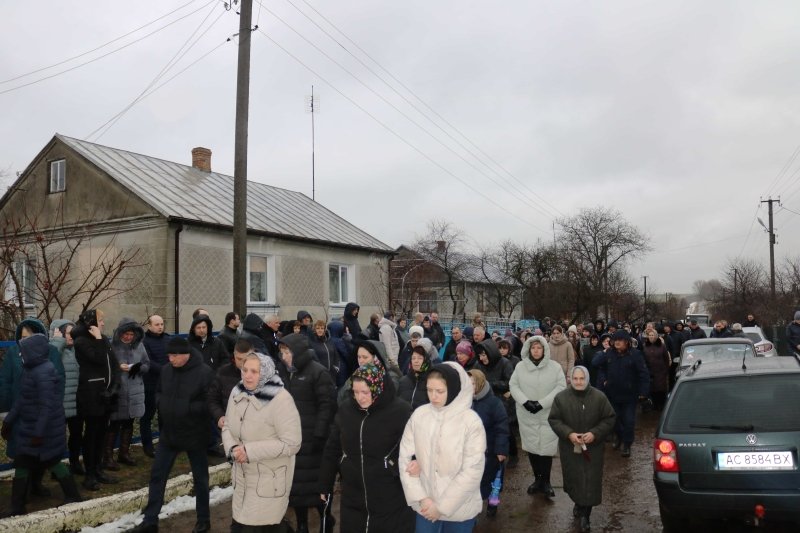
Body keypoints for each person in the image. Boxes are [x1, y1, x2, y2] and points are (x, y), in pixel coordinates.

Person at [129, 337, 215, 533]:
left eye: (174, 356)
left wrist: (187, 408)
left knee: (200, 479)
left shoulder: (204, 372)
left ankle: (203, 520)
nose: (170, 359)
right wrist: (162, 403)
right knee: (157, 476)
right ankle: (150, 521)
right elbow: (158, 391)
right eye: (169, 355)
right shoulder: (167, 370)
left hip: (195, 433)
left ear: (186, 355)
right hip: (169, 433)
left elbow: (210, 402)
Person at [320, 363, 414, 533]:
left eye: (365, 392)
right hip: (353, 493)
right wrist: (325, 483)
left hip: (389, 494)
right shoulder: (346, 410)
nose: (360, 397)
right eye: (355, 392)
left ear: (377, 387)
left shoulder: (400, 411)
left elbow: (415, 447)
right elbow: (332, 448)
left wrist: (393, 466)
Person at [1, 334, 82, 517]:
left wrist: (38, 433)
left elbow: (47, 406)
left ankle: (73, 496)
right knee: (24, 462)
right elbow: (22, 399)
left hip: (45, 429)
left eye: (23, 352)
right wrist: (8, 421)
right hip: (33, 427)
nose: (20, 355)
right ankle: (18, 506)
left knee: (50, 461)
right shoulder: (31, 370)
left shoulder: (43, 372)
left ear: (34, 353)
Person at [400, 362, 486, 532]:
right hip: (425, 505)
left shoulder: (470, 422)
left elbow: (472, 470)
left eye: (440, 391)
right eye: (429, 390)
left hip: (459, 509)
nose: (433, 396)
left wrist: (441, 507)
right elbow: (404, 457)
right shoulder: (420, 415)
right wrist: (421, 498)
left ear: (453, 390)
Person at [223, 352, 302, 532]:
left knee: (257, 526)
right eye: (245, 370)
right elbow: (227, 424)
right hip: (242, 479)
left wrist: (249, 451)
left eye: (254, 371)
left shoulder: (281, 399)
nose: (247, 375)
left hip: (268, 481)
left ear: (265, 372)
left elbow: (292, 443)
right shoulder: (237, 392)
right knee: (242, 524)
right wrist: (233, 448)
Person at [276, 333, 335, 533]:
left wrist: (319, 435)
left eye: (287, 352)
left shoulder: (318, 372)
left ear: (298, 352)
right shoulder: (284, 374)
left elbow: (327, 405)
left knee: (317, 485)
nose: (284, 356)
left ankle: (326, 519)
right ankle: (302, 524)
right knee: (297, 487)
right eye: (282, 352)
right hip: (292, 440)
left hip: (313, 442)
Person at [548, 366, 616, 533]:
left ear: (587, 379)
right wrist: (569, 434)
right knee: (575, 478)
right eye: (575, 378)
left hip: (593, 449)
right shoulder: (561, 398)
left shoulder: (599, 397)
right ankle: (578, 503)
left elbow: (609, 418)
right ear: (570, 379)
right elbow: (554, 419)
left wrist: (595, 433)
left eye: (582, 378)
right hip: (570, 448)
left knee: (590, 480)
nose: (578, 382)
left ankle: (586, 515)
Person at [510, 335, 566, 498]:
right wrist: (525, 402)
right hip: (527, 414)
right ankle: (537, 480)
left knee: (546, 449)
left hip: (547, 413)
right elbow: (513, 385)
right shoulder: (520, 367)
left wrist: (542, 403)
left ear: (544, 349)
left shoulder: (554, 367)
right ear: (528, 349)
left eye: (539, 347)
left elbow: (560, 386)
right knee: (532, 448)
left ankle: (546, 482)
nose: (536, 350)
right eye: (533, 347)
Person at [72, 309, 120, 491]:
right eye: (100, 320)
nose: (103, 323)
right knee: (91, 436)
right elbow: (98, 359)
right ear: (91, 322)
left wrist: (115, 385)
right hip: (91, 395)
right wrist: (99, 339)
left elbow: (113, 363)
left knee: (102, 434)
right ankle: (89, 475)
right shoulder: (81, 341)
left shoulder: (103, 339)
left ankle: (99, 470)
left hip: (106, 396)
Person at [595, 330, 650, 457]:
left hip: (630, 395)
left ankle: (627, 444)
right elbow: (596, 364)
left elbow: (644, 374)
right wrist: (604, 380)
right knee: (614, 420)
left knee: (629, 421)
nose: (617, 342)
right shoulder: (609, 353)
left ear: (627, 342)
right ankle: (619, 437)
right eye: (615, 340)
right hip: (613, 394)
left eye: (620, 340)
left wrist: (643, 392)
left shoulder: (635, 354)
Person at [105, 317, 150, 470]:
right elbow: (106, 367)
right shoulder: (111, 346)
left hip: (135, 391)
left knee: (129, 423)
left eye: (131, 334)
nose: (129, 337)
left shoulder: (139, 346)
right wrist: (118, 367)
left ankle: (124, 453)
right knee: (114, 424)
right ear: (120, 333)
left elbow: (147, 364)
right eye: (126, 334)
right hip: (118, 391)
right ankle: (108, 457)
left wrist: (137, 368)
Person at [467, 369, 509, 518]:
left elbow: (502, 427)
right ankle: (472, 505)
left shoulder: (494, 403)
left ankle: (492, 502)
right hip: (470, 450)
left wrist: (501, 449)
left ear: (480, 383)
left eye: (472, 383)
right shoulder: (463, 402)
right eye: (467, 383)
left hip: (489, 450)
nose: (469, 387)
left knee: (491, 478)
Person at [50, 319, 83, 474]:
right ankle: (56, 469)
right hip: (60, 403)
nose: (71, 336)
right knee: (57, 438)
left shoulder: (76, 349)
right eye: (68, 333)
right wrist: (58, 341)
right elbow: (51, 359)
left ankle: (75, 463)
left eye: (73, 333)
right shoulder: (53, 348)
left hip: (76, 402)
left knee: (76, 435)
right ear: (60, 333)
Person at [208, 339, 252, 442]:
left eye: (246, 359)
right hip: (231, 430)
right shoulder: (223, 372)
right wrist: (219, 416)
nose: (243, 363)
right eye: (239, 359)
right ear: (234, 356)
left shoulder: (263, 373)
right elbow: (212, 399)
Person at [141, 314, 170, 458]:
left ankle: (165, 443)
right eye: (157, 324)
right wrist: (166, 369)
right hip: (151, 384)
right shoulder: (144, 341)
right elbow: (148, 361)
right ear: (149, 326)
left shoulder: (168, 339)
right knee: (147, 415)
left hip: (166, 383)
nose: (160, 327)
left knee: (164, 415)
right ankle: (148, 446)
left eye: (162, 324)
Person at [640, 329, 671, 411]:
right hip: (650, 372)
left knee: (661, 389)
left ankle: (662, 405)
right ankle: (654, 405)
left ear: (656, 336)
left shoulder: (662, 346)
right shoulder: (645, 346)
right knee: (652, 389)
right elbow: (643, 359)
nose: (651, 337)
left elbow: (666, 358)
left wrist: (666, 370)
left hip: (661, 372)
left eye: (652, 335)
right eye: (650, 335)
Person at [309, 320, 341, 390]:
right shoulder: (311, 343)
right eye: (318, 328)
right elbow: (312, 360)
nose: (320, 330)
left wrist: (336, 368)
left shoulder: (330, 342)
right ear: (314, 330)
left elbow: (336, 355)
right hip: (319, 376)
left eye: (322, 328)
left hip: (332, 375)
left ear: (324, 329)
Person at [398, 345, 433, 410]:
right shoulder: (403, 381)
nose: (416, 361)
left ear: (426, 360)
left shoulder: (431, 381)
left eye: (420, 358)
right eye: (413, 358)